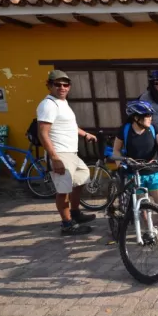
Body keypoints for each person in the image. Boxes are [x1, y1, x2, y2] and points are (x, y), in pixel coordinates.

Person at [36, 70, 97, 236]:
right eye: (57, 84)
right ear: (49, 85)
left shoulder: (63, 103)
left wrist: (85, 134)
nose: (62, 87)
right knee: (63, 190)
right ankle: (67, 224)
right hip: (60, 153)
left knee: (81, 178)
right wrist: (55, 158)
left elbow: (69, 126)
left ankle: (75, 213)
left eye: (65, 84)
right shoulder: (49, 105)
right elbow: (43, 133)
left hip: (71, 152)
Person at [112, 100, 158, 250]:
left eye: (151, 114)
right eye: (146, 115)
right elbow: (116, 151)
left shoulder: (153, 128)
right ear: (136, 117)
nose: (150, 117)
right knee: (142, 207)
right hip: (135, 173)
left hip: (154, 171)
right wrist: (122, 164)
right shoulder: (125, 130)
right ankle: (149, 230)